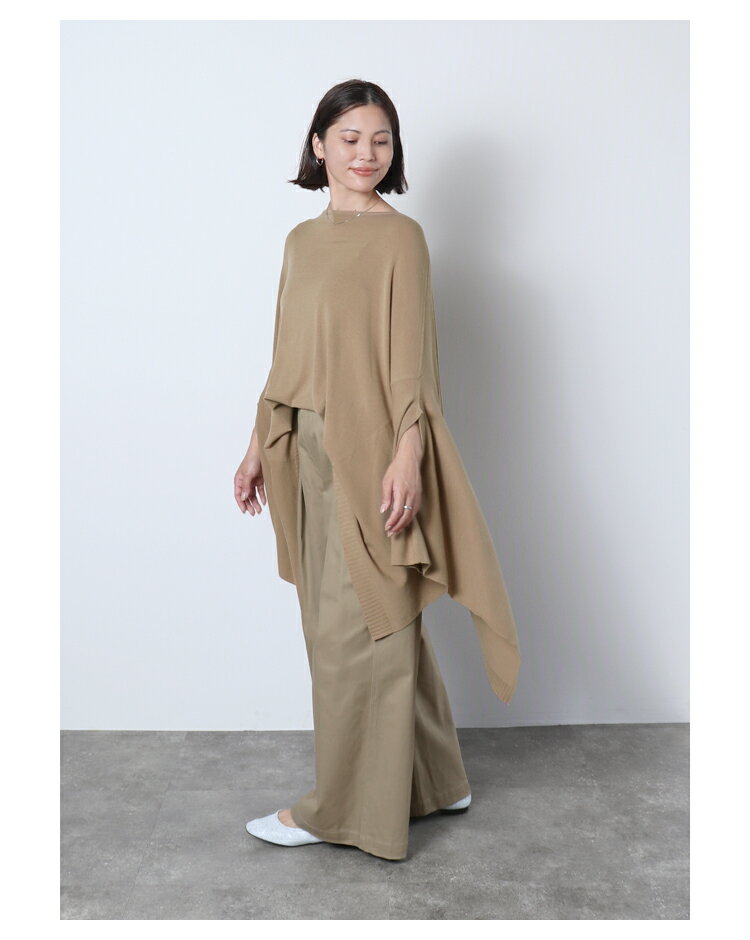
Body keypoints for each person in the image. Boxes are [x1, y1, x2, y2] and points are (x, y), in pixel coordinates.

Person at [234, 79, 521, 861]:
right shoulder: (301, 242)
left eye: (382, 140)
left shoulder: (402, 238)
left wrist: (408, 451)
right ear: (318, 144)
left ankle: (342, 811)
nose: (367, 153)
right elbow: (289, 353)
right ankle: (437, 780)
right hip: (303, 450)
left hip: (368, 453)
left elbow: (411, 363)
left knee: (355, 626)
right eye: (351, 137)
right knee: (369, 616)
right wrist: (258, 442)